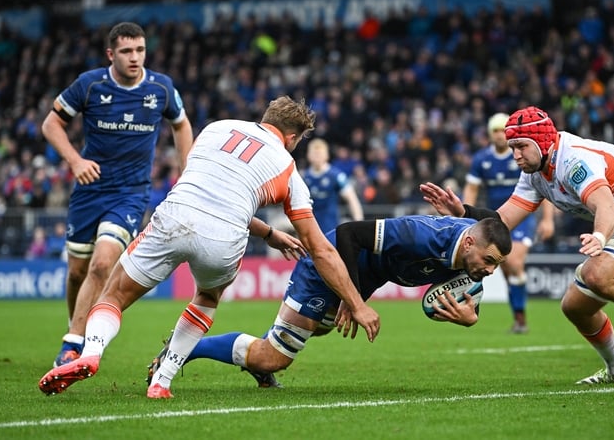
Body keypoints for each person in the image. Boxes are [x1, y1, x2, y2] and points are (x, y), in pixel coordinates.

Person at [38, 95, 382, 398]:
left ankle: (91, 354)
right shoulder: (288, 169)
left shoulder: (217, 128)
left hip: (175, 217)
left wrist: (267, 233)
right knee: (206, 297)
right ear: (292, 137)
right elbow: (319, 249)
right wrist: (356, 303)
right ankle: (163, 380)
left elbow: (209, 189)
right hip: (224, 238)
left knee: (113, 294)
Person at [420, 106, 614, 384]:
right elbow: (503, 220)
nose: (515, 154)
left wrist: (601, 237)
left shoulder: (575, 160)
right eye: (511, 146)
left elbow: (606, 207)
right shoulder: (534, 172)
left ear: (542, 142)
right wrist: (463, 213)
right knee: (575, 306)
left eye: (521, 146)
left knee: (596, 273)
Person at [147, 215, 511, 388]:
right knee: (274, 357)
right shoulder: (422, 236)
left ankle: (262, 352)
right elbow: (351, 233)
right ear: (468, 244)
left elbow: (487, 222)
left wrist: (470, 316)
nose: (490, 270)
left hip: (362, 275)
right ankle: (184, 349)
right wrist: (353, 301)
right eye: (490, 261)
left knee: (318, 329)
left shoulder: (470, 253)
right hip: (329, 261)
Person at [41, 22, 194, 366]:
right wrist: (75, 160)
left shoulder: (161, 88)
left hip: (130, 194)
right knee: (77, 272)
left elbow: (181, 124)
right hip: (88, 191)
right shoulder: (90, 84)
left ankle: (72, 345)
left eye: (140, 50)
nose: (135, 57)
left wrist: (187, 170)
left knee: (102, 264)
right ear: (111, 54)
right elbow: (51, 124)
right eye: (126, 51)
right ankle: (75, 327)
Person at [463, 112, 555, 334]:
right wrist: (465, 218)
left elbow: (543, 186)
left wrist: (547, 219)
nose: (498, 135)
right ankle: (520, 319)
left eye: (501, 131)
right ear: (489, 134)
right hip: (496, 219)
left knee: (512, 262)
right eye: (494, 131)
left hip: (522, 219)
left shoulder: (522, 157)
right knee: (506, 271)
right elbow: (472, 189)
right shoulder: (482, 160)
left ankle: (520, 313)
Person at [303, 138, 364, 234]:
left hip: (331, 228)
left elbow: (352, 199)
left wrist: (359, 223)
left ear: (326, 155)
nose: (317, 157)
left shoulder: (336, 176)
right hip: (309, 230)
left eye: (320, 154)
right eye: (314, 154)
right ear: (308, 155)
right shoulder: (303, 177)